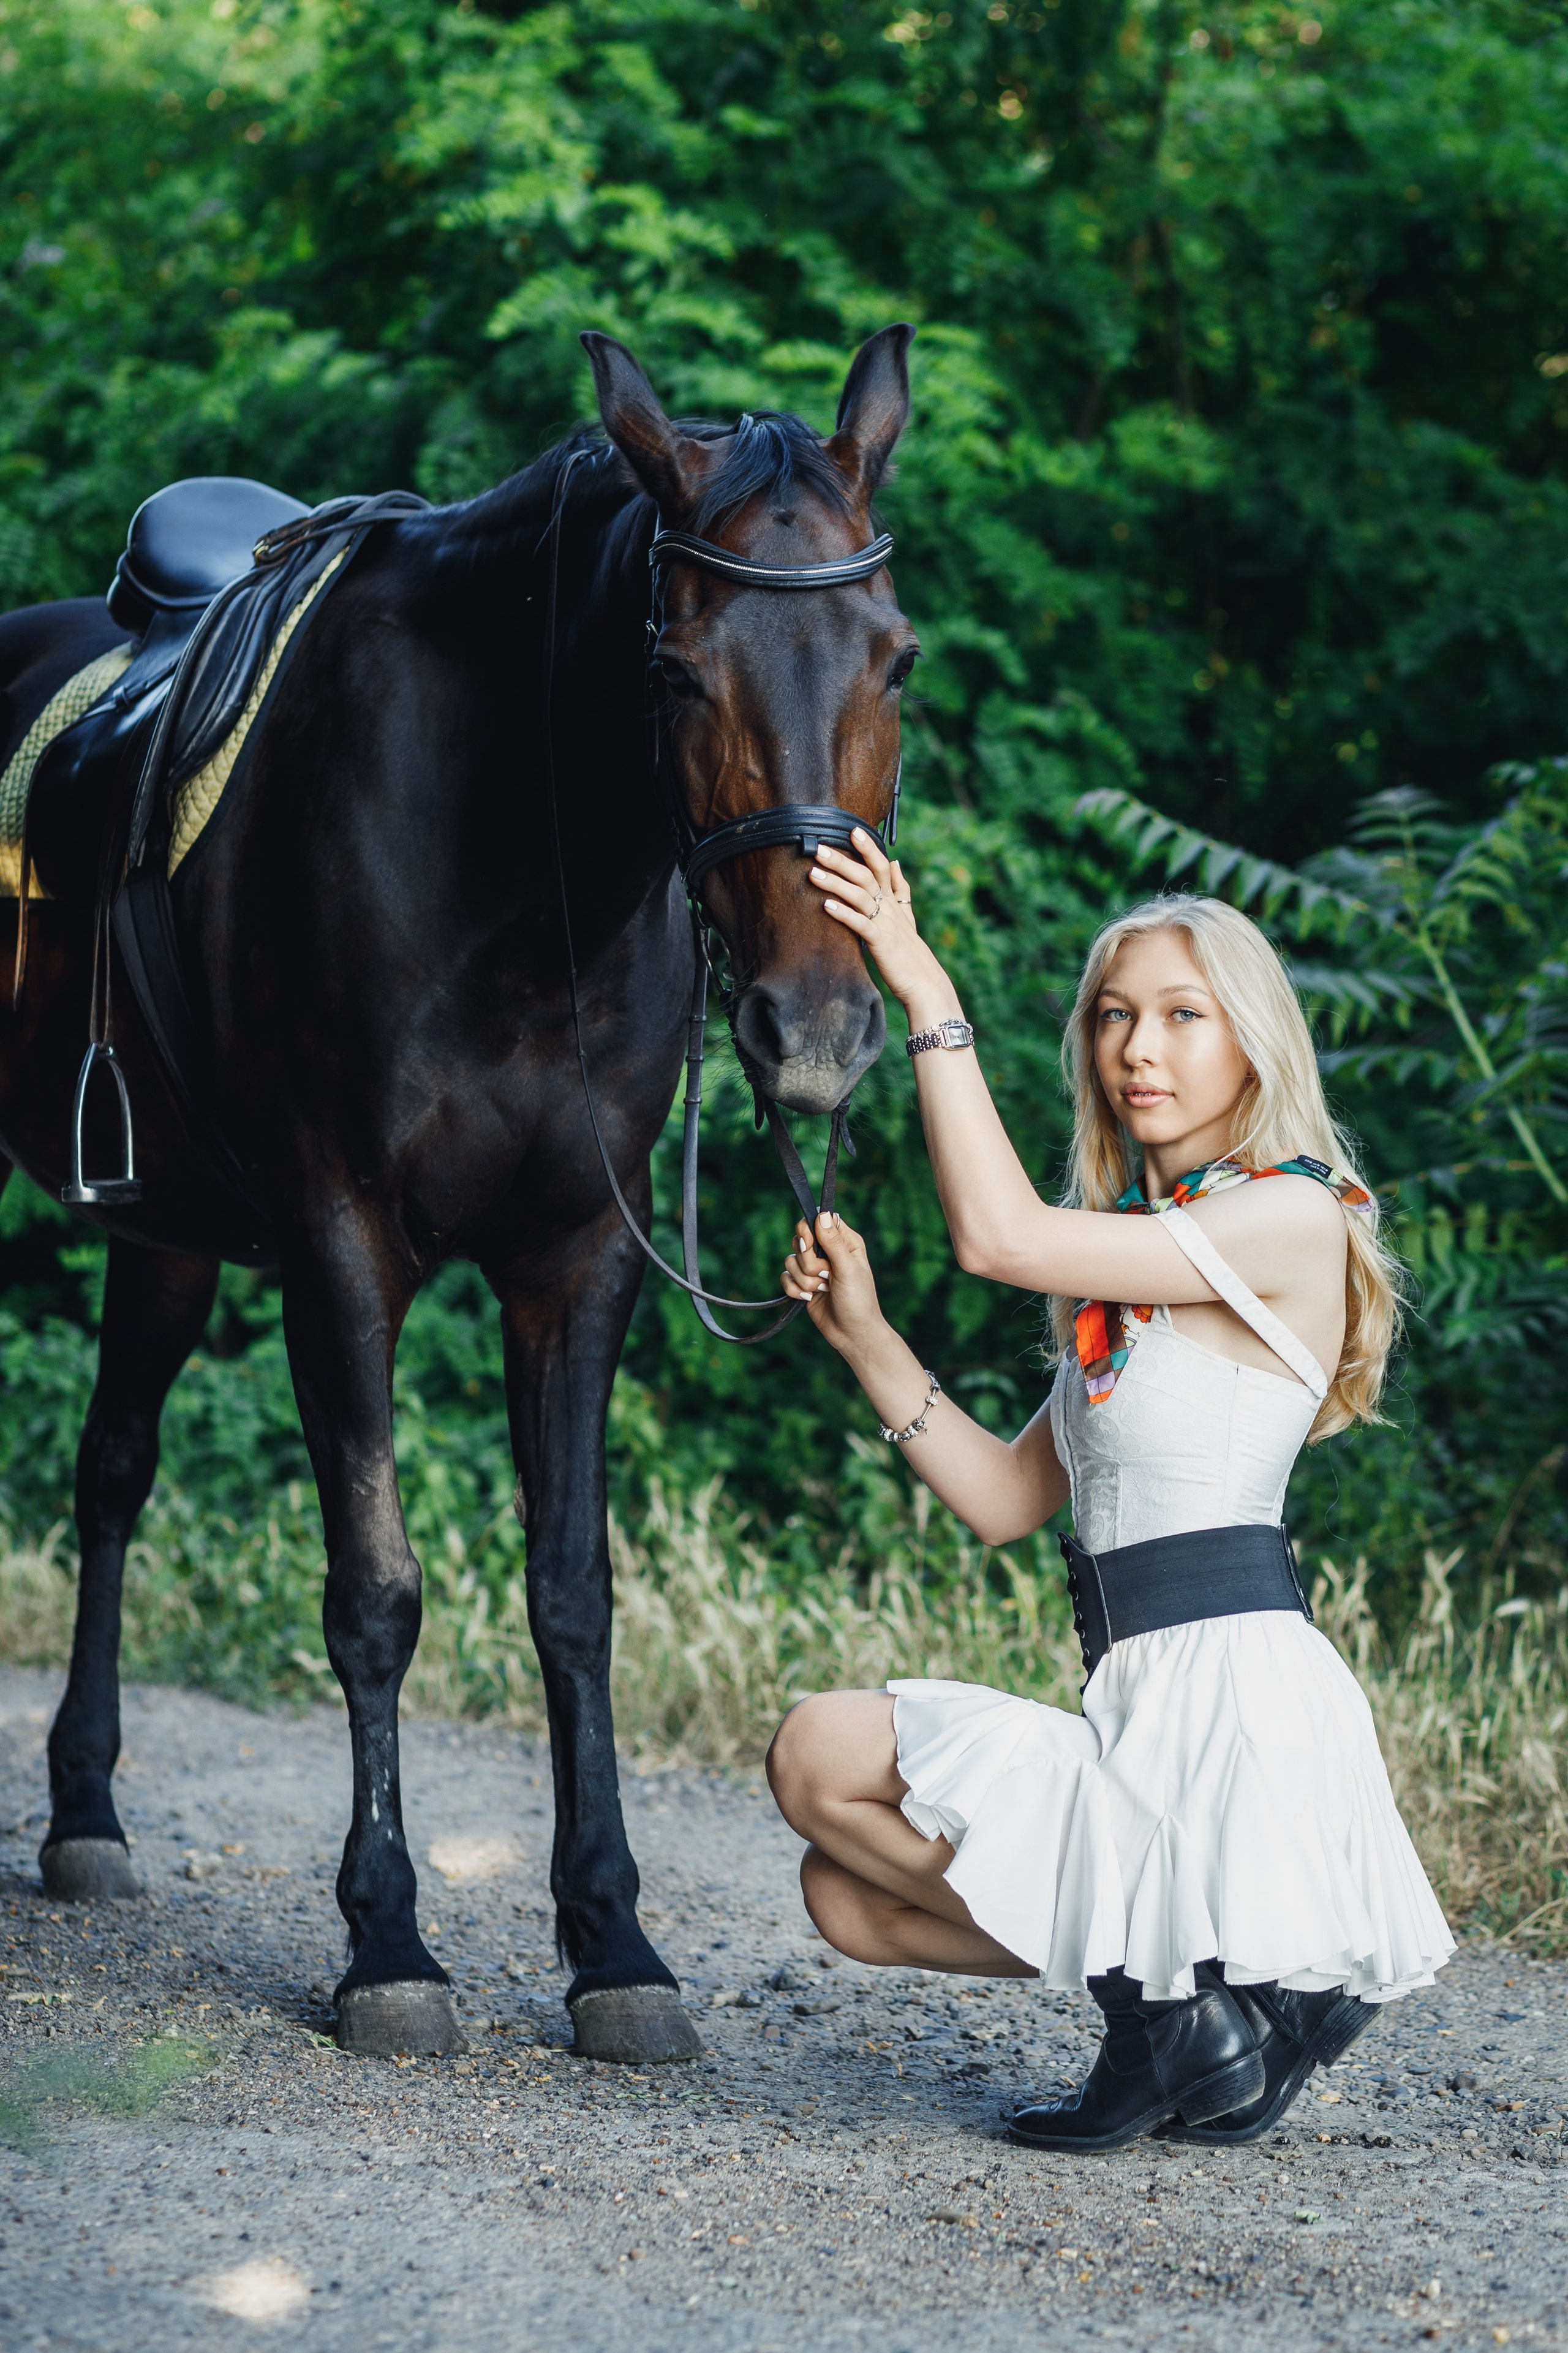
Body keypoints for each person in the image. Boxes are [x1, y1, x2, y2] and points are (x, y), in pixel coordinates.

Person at [764, 835, 1454, 2153]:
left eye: (1183, 1016)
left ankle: (1177, 1991)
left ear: (1250, 1046)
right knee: (844, 1900)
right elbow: (1004, 1498)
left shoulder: (1288, 1217)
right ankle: (1177, 2013)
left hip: (1232, 1717)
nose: (1138, 1045)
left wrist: (920, 988)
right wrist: (861, 1337)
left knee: (814, 1749)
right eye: (1113, 1015)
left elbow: (998, 1237)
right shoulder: (1136, 1280)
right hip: (1137, 1704)